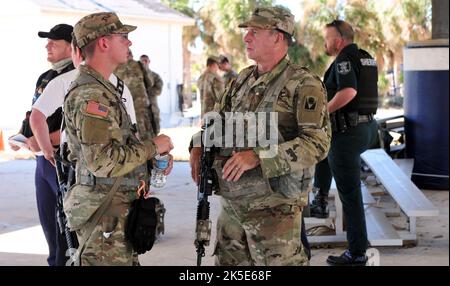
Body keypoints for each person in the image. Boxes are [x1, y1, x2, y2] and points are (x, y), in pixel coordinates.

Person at [189, 6, 330, 266]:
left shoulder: (303, 84)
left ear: (278, 36)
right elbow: (215, 121)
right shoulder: (241, 81)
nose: (246, 37)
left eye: (255, 31)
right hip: (232, 211)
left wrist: (258, 157)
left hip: (276, 214)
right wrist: (197, 146)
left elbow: (317, 143)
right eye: (247, 31)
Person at [63, 12, 174, 266]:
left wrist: (150, 159)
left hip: (115, 214)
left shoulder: (104, 88)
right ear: (103, 43)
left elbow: (114, 146)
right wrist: (152, 146)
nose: (129, 43)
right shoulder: (91, 95)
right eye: (123, 37)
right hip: (104, 217)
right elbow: (102, 161)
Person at [310, 20, 379, 266]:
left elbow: (348, 91)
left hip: (349, 133)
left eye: (327, 38)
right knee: (323, 149)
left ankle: (357, 252)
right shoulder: (366, 57)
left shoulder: (344, 59)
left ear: (338, 40)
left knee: (349, 194)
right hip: (368, 128)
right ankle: (319, 199)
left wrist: (322, 113)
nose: (325, 43)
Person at [9, 23, 75, 266]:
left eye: (54, 43)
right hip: (41, 163)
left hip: (62, 162)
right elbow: (34, 114)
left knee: (65, 229)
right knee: (48, 226)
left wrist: (46, 140)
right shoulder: (45, 77)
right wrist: (21, 135)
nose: (47, 46)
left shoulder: (76, 78)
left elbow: (76, 127)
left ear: (71, 48)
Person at [139, 54, 163, 135]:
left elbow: (158, 91)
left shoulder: (155, 76)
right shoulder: (136, 77)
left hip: (153, 110)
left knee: (155, 133)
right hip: (140, 111)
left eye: (146, 61)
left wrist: (144, 90)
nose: (144, 63)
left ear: (149, 62)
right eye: (142, 61)